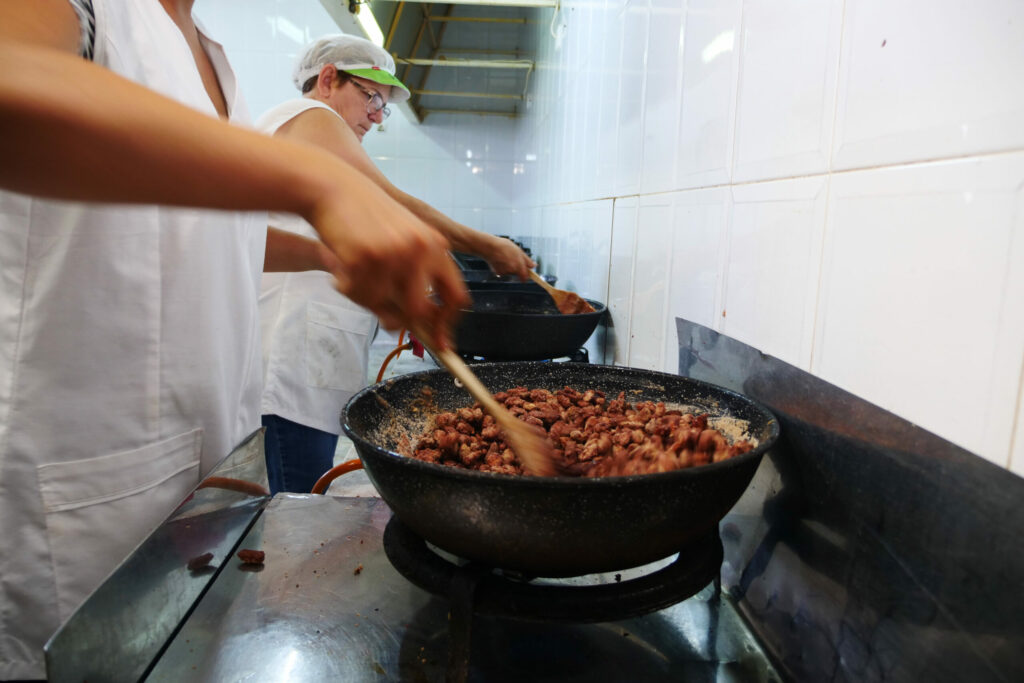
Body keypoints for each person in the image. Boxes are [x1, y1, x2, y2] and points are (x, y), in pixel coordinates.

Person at [0, 2, 468, 679]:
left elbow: (212, 234)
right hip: (80, 483)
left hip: (205, 473)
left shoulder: (209, 56)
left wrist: (331, 257)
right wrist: (315, 184)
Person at [255, 34, 534, 494]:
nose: (376, 116)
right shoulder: (309, 115)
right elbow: (390, 201)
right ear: (327, 79)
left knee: (300, 501)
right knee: (295, 512)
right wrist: (484, 244)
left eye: (382, 107)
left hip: (308, 359)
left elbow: (356, 234)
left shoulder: (313, 136)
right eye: (373, 98)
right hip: (291, 365)